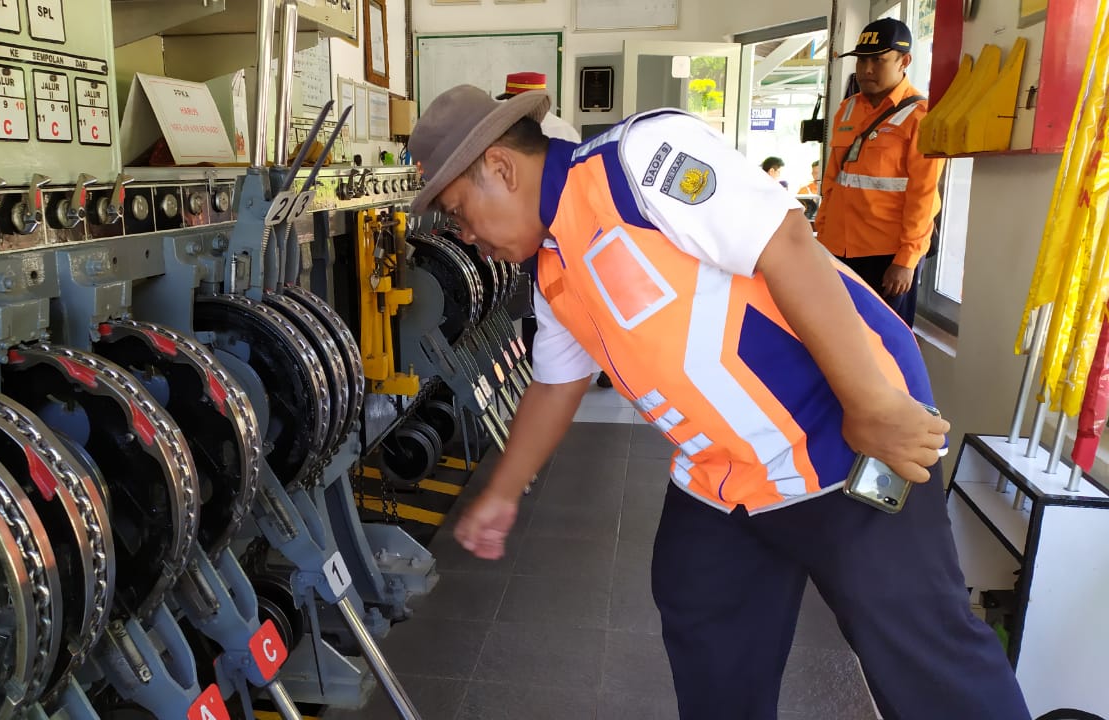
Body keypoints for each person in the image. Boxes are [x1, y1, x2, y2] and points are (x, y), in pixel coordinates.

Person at [407, 84, 1029, 719]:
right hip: (724, 471)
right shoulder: (553, 266)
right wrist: (503, 492)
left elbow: (784, 239)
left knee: (920, 652)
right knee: (697, 596)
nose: (467, 237)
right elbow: (556, 383)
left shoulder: (637, 163)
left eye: (458, 212)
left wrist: (869, 403)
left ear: (501, 168)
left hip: (837, 435)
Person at [814, 18, 945, 328]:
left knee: (884, 347)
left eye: (878, 60)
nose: (867, 69)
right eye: (862, 60)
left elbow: (923, 197)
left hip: (885, 257)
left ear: (905, 61)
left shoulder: (920, 117)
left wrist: (906, 261)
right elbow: (833, 180)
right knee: (837, 338)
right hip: (837, 250)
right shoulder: (847, 108)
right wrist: (821, 235)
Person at [498, 72, 613, 389]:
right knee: (556, 301)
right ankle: (597, 366)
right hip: (567, 229)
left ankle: (546, 365)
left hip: (537, 229)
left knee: (539, 299)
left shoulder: (508, 134)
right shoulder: (566, 129)